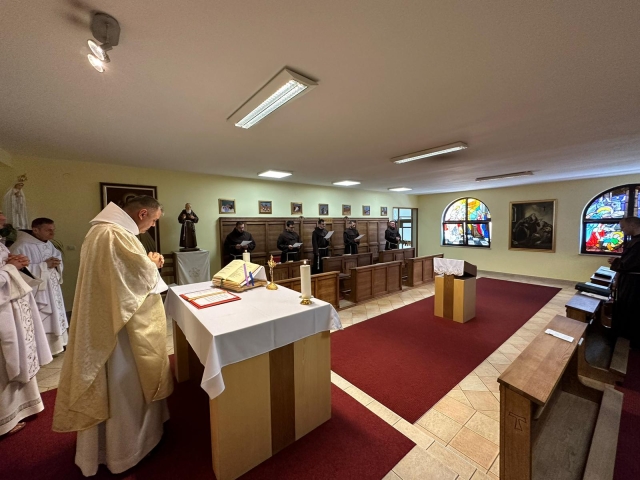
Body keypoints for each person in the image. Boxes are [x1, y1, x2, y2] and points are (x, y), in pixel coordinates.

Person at [53, 196, 173, 476]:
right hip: (120, 330)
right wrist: (152, 263)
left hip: (108, 318)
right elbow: (135, 280)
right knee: (124, 384)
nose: (152, 226)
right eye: (153, 220)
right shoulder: (114, 234)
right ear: (142, 213)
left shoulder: (102, 231)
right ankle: (125, 449)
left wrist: (146, 262)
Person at [1, 209, 52, 436]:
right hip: (4, 312)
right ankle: (5, 418)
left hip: (13, 307)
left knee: (18, 355)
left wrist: (15, 263)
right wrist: (12, 267)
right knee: (6, 362)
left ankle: (20, 408)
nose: (4, 219)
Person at [10, 218, 68, 355]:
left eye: (53, 230)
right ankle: (43, 350)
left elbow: (56, 257)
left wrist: (56, 263)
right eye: (48, 230)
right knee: (42, 318)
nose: (52, 233)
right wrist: (44, 266)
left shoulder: (48, 243)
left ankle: (58, 345)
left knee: (56, 315)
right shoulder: (21, 246)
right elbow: (17, 271)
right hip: (38, 291)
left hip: (52, 288)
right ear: (35, 230)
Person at [608, 216, 640, 348]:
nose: (622, 230)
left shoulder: (638, 243)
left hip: (635, 283)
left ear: (632, 225)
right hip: (629, 280)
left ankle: (630, 338)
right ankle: (623, 335)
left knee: (631, 309)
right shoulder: (634, 241)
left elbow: (631, 264)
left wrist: (616, 262)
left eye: (623, 227)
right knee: (625, 307)